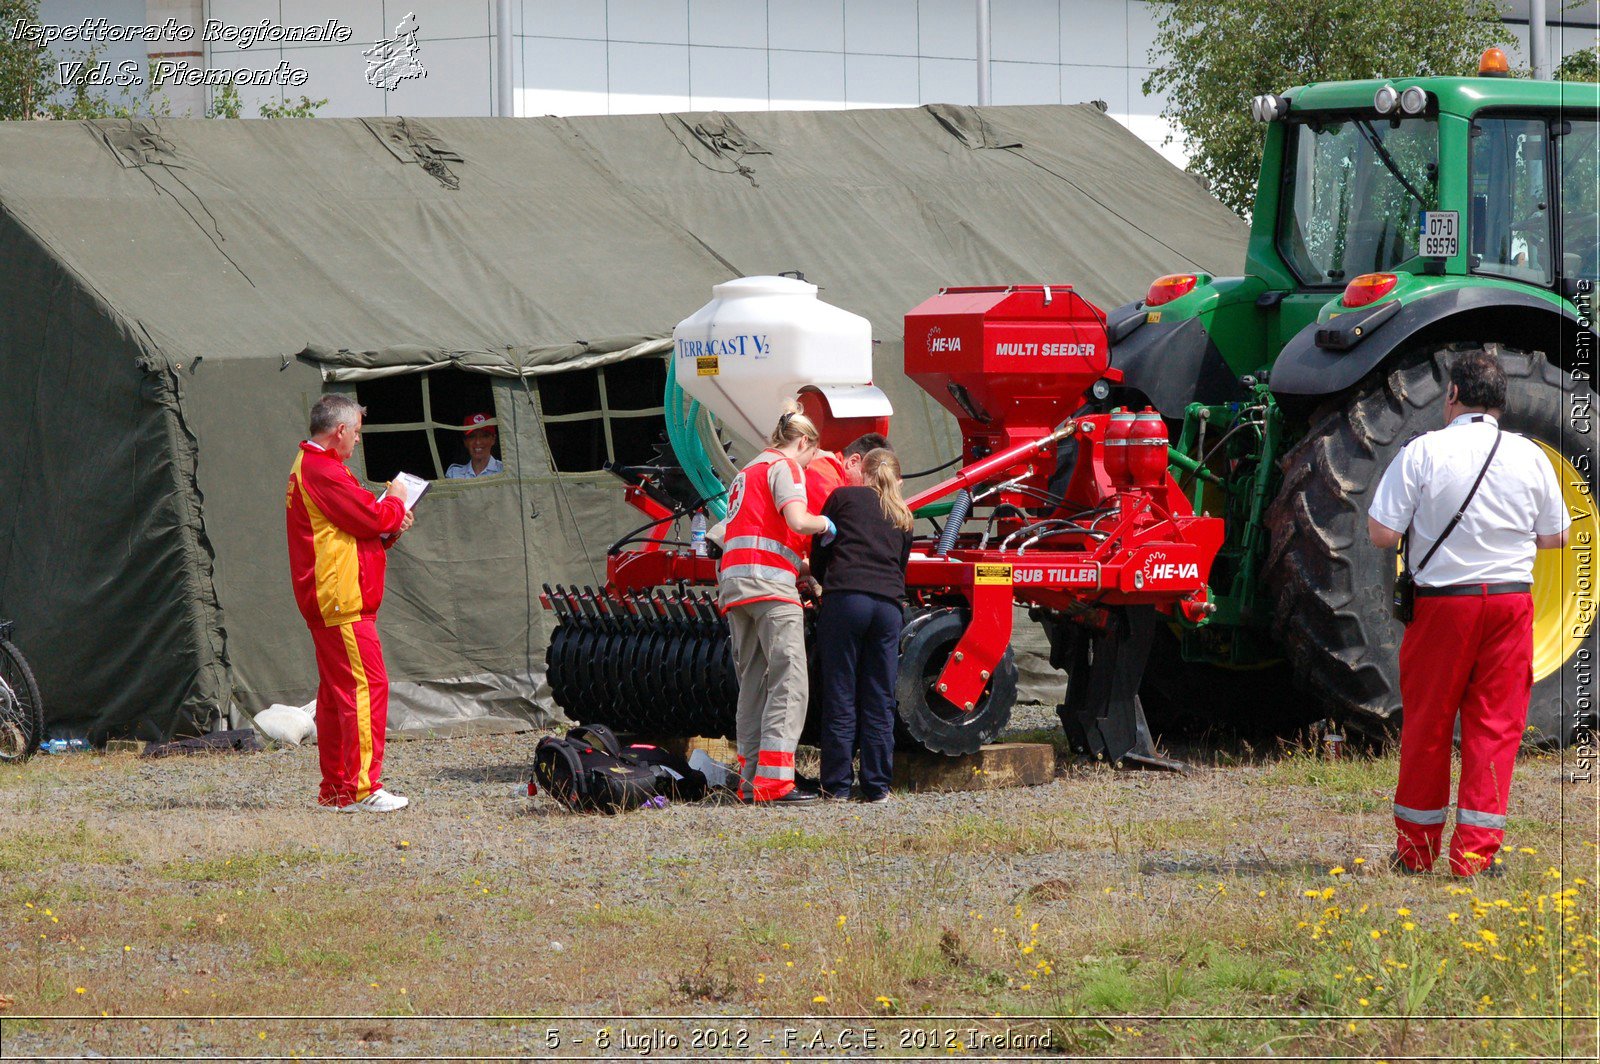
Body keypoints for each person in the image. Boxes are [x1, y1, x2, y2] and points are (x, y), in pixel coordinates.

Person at [1367, 351, 1570, 876]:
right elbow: (1557, 537)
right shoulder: (1531, 456)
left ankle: (1415, 853)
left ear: (1453, 395)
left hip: (1442, 607)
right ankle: (1475, 858)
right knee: (1496, 728)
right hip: (1509, 602)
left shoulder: (1423, 451)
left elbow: (1380, 534)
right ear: (1501, 402)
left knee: (1428, 726)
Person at [286, 394, 417, 813]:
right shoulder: (323, 469)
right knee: (366, 687)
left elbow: (357, 526)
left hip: (332, 599)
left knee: (338, 694)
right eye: (357, 434)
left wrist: (389, 521)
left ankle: (338, 789)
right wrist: (395, 500)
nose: (358, 442)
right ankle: (362, 788)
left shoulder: (314, 467)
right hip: (341, 600)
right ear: (340, 431)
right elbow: (373, 518)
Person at [719, 404, 836, 803]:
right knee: (789, 681)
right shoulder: (785, 468)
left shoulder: (745, 472)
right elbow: (799, 521)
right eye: (810, 455)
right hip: (770, 589)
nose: (808, 464)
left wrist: (799, 567)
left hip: (736, 587)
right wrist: (826, 525)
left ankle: (749, 778)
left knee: (752, 683)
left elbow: (757, 535)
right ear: (803, 441)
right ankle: (774, 782)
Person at [811, 448, 915, 803]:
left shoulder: (842, 497)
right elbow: (901, 566)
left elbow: (819, 551)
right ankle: (877, 787)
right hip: (887, 606)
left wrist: (824, 582)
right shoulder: (903, 515)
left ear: (864, 471)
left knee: (841, 692)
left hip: (846, 600)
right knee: (879, 696)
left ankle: (837, 786)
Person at [446, 413, 503, 479]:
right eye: (472, 436)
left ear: (493, 439)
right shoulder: (454, 473)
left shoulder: (505, 471)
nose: (478, 442)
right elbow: (433, 488)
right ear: (465, 441)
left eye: (484, 436)